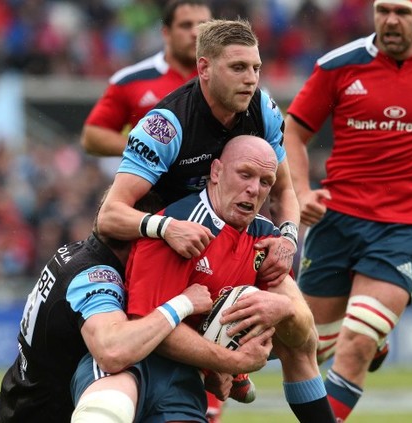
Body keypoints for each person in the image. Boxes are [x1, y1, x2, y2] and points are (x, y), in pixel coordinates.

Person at [284, 1, 412, 421]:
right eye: (383, 9)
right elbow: (294, 129)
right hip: (335, 221)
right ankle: (376, 333)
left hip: (404, 228)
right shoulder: (338, 65)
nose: (390, 20)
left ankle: (369, 335)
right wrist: (301, 191)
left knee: (355, 342)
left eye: (401, 11)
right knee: (307, 346)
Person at [95, 17, 301, 421]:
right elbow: (109, 215)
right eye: (238, 68)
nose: (251, 79)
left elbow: (285, 192)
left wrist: (289, 239)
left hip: (221, 242)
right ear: (204, 68)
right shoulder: (165, 125)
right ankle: (219, 369)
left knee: (303, 327)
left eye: (256, 68)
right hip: (160, 256)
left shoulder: (263, 109)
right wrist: (166, 227)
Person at [71, 135, 335, 423]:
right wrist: (232, 362)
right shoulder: (179, 230)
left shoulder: (267, 239)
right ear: (216, 172)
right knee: (103, 413)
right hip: (132, 367)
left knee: (299, 337)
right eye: (245, 174)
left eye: (265, 182)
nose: (253, 189)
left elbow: (302, 335)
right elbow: (146, 331)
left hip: (185, 381)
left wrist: (283, 309)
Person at [0, 194, 214, 423]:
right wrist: (183, 303)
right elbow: (112, 351)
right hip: (44, 415)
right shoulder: (98, 277)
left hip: (21, 400)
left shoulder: (76, 253)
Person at [81, 0, 212, 158]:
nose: (196, 33)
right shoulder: (131, 80)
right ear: (166, 33)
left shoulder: (228, 76)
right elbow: (92, 137)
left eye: (203, 25)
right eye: (185, 25)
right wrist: (150, 149)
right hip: (154, 181)